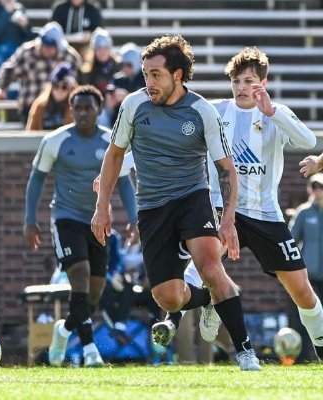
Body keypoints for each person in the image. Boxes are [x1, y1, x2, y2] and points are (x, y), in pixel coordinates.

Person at [91, 35, 261, 371]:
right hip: (153, 208)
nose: (149, 82)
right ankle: (207, 300)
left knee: (211, 267)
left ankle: (245, 351)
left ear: (178, 75)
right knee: (167, 297)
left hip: (192, 198)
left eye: (156, 75)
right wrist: (102, 205)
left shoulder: (201, 111)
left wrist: (227, 220)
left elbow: (226, 169)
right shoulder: (133, 106)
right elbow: (114, 156)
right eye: (145, 74)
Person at [153, 46, 323, 363]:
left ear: (263, 82)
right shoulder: (215, 113)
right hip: (222, 210)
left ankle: (321, 351)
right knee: (201, 263)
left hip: (266, 215)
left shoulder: (275, 115)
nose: (242, 88)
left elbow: (307, 141)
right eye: (236, 82)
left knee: (302, 292)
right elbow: (169, 139)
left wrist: (271, 110)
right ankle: (173, 319)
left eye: (248, 81)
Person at [23, 85, 138, 368]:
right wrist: (30, 219)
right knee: (80, 275)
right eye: (78, 108)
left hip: (99, 222)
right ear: (71, 110)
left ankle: (64, 330)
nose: (83, 113)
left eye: (89, 108)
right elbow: (37, 178)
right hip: (66, 218)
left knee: (93, 295)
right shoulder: (55, 141)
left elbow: (124, 181)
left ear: (99, 110)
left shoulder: (112, 142)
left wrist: (135, 219)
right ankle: (89, 350)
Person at [0, 22, 81, 124]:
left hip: (61, 108)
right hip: (30, 106)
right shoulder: (27, 52)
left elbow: (77, 83)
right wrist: (2, 87)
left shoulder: (69, 57)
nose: (47, 49)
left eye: (51, 46)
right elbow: (9, 69)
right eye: (45, 45)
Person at [288, 173, 323, 360]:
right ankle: (302, 358)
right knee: (305, 318)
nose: (318, 191)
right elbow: (291, 240)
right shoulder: (304, 212)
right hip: (309, 276)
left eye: (321, 187)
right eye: (315, 187)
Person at [26, 62, 77, 131]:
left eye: (64, 87)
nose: (59, 90)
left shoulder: (76, 107)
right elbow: (31, 132)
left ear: (70, 88)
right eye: (56, 85)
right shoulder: (40, 105)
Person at [79, 27, 120, 94]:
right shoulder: (87, 72)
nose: (102, 51)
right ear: (94, 50)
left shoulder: (118, 68)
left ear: (109, 48)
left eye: (105, 47)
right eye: (98, 48)